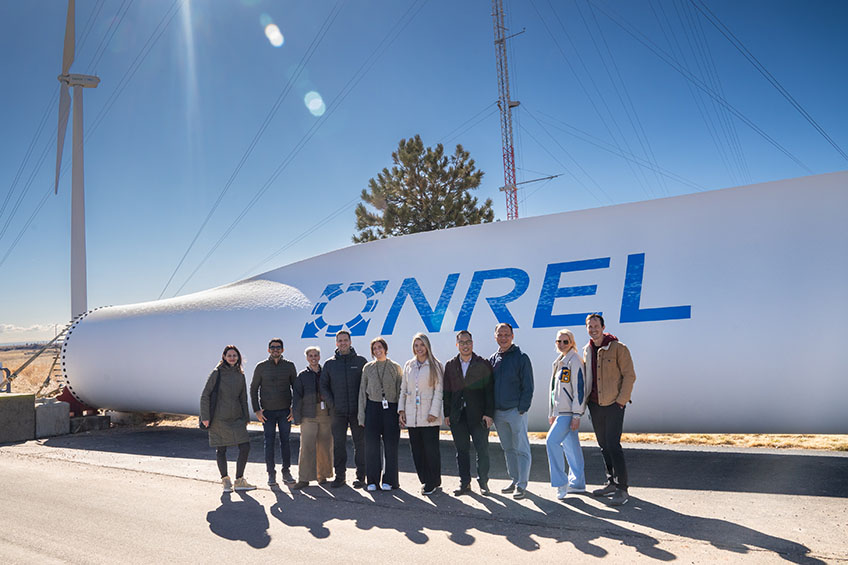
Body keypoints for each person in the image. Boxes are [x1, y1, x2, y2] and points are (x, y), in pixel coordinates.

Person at [584, 313, 636, 506]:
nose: (593, 329)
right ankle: (611, 482)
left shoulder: (618, 348)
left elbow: (629, 376)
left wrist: (621, 401)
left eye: (596, 326)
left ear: (603, 327)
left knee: (614, 445)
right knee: (603, 445)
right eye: (590, 327)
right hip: (595, 405)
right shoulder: (587, 351)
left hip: (614, 405)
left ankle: (623, 489)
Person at [443, 330, 494, 496]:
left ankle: (483, 482)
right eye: (462, 342)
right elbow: (447, 392)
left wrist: (488, 413)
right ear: (457, 345)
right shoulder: (451, 365)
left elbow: (489, 391)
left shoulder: (483, 363)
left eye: (468, 342)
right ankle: (465, 483)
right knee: (462, 451)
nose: (465, 345)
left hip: (478, 415)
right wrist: (447, 414)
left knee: (482, 449)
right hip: (458, 415)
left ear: (472, 343)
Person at [200, 345, 256, 492]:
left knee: (245, 446)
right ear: (224, 357)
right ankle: (225, 480)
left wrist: (245, 416)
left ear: (238, 357)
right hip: (219, 418)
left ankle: (239, 480)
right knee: (221, 448)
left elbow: (243, 397)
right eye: (229, 355)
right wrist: (205, 417)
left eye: (234, 355)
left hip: (237, 417)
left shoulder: (240, 374)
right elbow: (205, 395)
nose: (232, 358)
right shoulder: (217, 373)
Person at [489, 322, 534, 500]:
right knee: (508, 448)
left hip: (516, 411)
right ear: (495, 337)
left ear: (512, 336)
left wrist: (522, 408)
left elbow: (528, 386)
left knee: (522, 449)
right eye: (500, 335)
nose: (503, 338)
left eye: (506, 334)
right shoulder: (493, 359)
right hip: (499, 413)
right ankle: (515, 480)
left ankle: (522, 485)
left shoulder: (521, 357)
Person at [546, 329, 590, 500]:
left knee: (551, 442)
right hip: (560, 412)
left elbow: (579, 389)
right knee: (571, 448)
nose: (562, 344)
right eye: (559, 341)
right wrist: (552, 412)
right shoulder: (559, 361)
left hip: (569, 412)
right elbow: (554, 391)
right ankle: (577, 483)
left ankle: (560, 483)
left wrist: (577, 414)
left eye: (565, 341)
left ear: (572, 342)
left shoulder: (575, 361)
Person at [320, 330, 368, 488]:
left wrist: (363, 406)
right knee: (339, 445)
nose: (343, 343)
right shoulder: (330, 364)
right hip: (337, 412)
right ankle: (340, 477)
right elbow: (323, 386)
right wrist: (332, 404)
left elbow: (367, 385)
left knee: (360, 444)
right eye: (340, 341)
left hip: (356, 411)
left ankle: (361, 477)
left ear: (350, 341)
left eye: (345, 340)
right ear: (336, 343)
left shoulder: (361, 362)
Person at [399, 333, 444, 495]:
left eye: (422, 345)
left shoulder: (435, 365)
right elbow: (403, 389)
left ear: (427, 346)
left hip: (429, 415)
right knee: (417, 450)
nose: (419, 348)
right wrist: (401, 410)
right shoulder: (409, 365)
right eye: (416, 345)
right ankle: (427, 480)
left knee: (431, 450)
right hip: (412, 415)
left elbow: (439, 390)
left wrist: (434, 411)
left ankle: (432, 482)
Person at [250, 338, 297, 486]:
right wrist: (257, 410)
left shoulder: (289, 366)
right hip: (267, 413)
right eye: (272, 347)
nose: (275, 350)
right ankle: (271, 473)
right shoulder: (261, 367)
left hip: (285, 412)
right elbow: (253, 389)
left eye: (278, 347)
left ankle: (286, 471)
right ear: (268, 350)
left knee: (285, 442)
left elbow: (296, 389)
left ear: (282, 350)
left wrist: (294, 408)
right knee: (269, 443)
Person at [358, 337, 403, 492]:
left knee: (391, 447)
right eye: (374, 349)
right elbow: (362, 393)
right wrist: (361, 416)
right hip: (372, 408)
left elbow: (400, 391)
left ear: (385, 348)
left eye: (380, 347)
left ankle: (390, 481)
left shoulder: (395, 367)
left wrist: (401, 413)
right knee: (371, 447)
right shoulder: (367, 368)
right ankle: (372, 481)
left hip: (391, 408)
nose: (377, 351)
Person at [291, 346, 333, 489]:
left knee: (325, 446)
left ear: (319, 357)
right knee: (307, 447)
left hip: (325, 414)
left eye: (316, 355)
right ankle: (304, 478)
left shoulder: (326, 373)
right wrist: (297, 417)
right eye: (310, 356)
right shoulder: (302, 376)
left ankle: (323, 476)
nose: (313, 358)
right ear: (307, 358)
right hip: (308, 415)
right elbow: (296, 396)